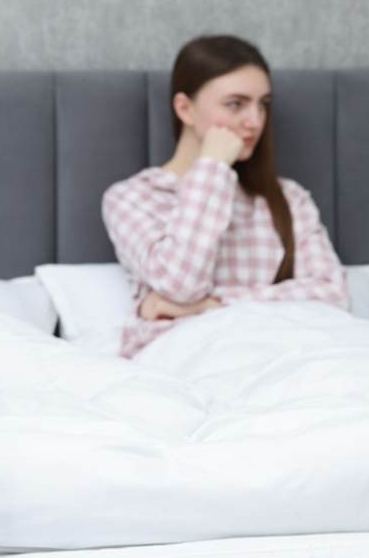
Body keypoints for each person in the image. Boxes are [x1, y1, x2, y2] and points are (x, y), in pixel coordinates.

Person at [102, 35, 348, 358]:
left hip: (276, 349)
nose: (255, 121)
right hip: (184, 356)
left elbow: (333, 295)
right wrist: (212, 169)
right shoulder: (131, 198)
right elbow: (181, 284)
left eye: (263, 104)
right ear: (184, 109)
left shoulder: (289, 198)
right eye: (236, 104)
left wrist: (212, 304)